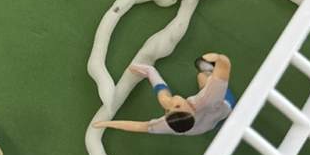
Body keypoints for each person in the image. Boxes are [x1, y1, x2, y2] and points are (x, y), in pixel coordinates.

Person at [95, 53, 234, 137]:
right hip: (222, 109)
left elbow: (140, 127)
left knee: (167, 98)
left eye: (168, 111)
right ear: (190, 110)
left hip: (208, 125)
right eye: (177, 106)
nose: (172, 103)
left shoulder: (169, 124)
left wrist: (106, 123)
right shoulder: (209, 99)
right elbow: (224, 67)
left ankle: (151, 72)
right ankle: (208, 73)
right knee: (202, 76)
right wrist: (217, 58)